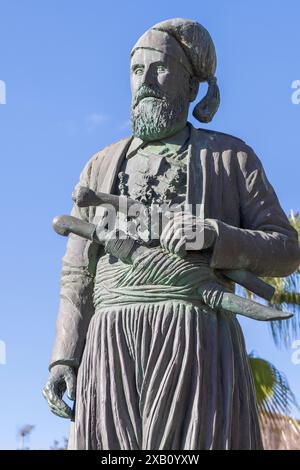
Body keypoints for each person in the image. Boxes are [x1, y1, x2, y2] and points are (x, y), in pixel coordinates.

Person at [43, 18, 300, 450]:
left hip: (197, 341)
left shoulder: (231, 157)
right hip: (109, 344)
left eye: (159, 68)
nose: (145, 81)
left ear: (191, 84)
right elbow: (76, 277)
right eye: (136, 70)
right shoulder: (100, 164)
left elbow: (287, 249)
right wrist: (65, 355)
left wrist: (217, 236)